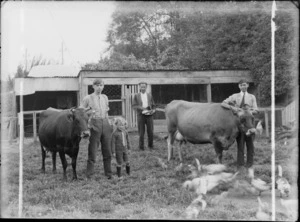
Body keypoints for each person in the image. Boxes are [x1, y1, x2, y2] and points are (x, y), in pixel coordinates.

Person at [221, 79, 258, 171]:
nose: (243, 87)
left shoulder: (252, 97)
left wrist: (249, 111)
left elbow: (256, 110)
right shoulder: (235, 96)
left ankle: (250, 164)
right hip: (239, 124)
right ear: (239, 86)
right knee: (240, 145)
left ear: (248, 85)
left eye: (245, 85)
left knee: (250, 145)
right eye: (241, 85)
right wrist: (233, 108)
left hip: (249, 124)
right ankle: (240, 165)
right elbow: (223, 103)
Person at [81, 79, 112, 179]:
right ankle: (89, 174)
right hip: (94, 124)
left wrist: (109, 122)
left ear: (103, 86)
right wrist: (89, 112)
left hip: (106, 123)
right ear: (93, 86)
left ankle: (108, 173)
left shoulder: (105, 97)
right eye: (97, 85)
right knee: (93, 150)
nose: (99, 87)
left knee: (107, 149)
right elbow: (81, 112)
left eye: (101, 85)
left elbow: (107, 110)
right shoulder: (88, 98)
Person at [132, 82, 156, 151]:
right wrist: (143, 108)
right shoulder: (136, 96)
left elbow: (153, 105)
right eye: (141, 87)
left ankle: (151, 146)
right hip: (141, 115)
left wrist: (153, 110)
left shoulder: (149, 95)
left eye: (144, 87)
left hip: (149, 115)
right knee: (141, 132)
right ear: (139, 87)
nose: (143, 88)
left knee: (150, 131)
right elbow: (134, 105)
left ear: (146, 87)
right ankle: (141, 147)